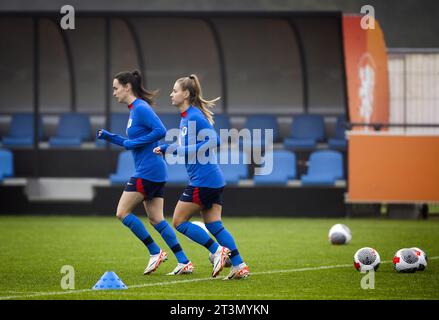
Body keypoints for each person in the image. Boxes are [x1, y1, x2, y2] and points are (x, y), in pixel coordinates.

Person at [97, 70, 193, 276]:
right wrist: (108, 137)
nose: (114, 93)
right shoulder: (135, 110)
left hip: (148, 171)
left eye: (116, 88)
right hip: (154, 171)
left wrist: (134, 143)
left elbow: (160, 131)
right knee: (157, 219)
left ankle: (155, 252)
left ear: (127, 87)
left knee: (122, 213)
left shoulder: (140, 108)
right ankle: (184, 261)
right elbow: (128, 143)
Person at [153, 74, 250, 280]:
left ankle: (217, 251)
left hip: (203, 180)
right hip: (212, 180)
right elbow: (185, 148)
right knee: (215, 225)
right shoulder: (187, 117)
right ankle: (239, 264)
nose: (171, 94)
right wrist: (169, 148)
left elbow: (214, 140)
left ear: (186, 94)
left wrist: (178, 149)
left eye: (175, 90)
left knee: (179, 222)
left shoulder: (193, 116)